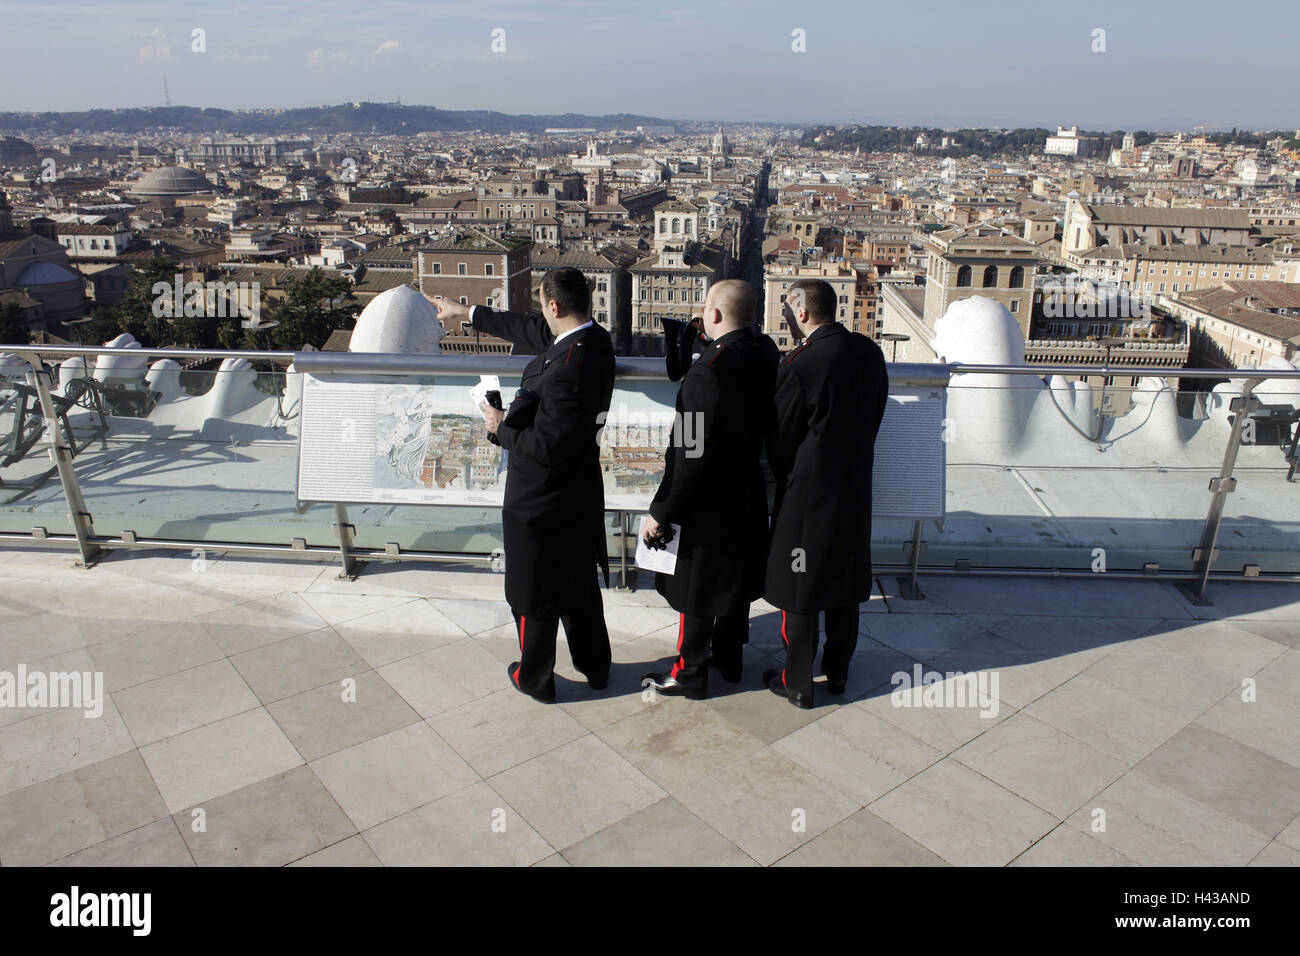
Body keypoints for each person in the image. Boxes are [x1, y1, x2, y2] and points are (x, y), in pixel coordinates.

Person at [427, 269, 615, 703]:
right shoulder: (593, 340)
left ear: (554, 307)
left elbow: (545, 445)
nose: (539, 320)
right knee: (579, 584)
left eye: (543, 307)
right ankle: (596, 666)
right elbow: (527, 328)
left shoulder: (568, 366)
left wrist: (498, 428)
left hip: (541, 497)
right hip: (578, 488)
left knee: (532, 591)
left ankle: (535, 678)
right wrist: (466, 311)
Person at [642, 280, 779, 699]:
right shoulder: (765, 352)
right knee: (734, 581)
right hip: (748, 489)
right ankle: (731, 660)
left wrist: (661, 509)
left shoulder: (707, 373)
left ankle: (690, 672)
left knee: (697, 589)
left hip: (707, 502)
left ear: (714, 315)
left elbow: (690, 453)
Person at [762, 279, 888, 708]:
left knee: (801, 587)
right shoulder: (870, 353)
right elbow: (876, 415)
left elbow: (781, 439)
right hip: (855, 488)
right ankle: (838, 673)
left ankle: (797, 681)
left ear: (801, 313)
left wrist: (786, 480)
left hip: (809, 495)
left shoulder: (800, 363)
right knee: (845, 583)